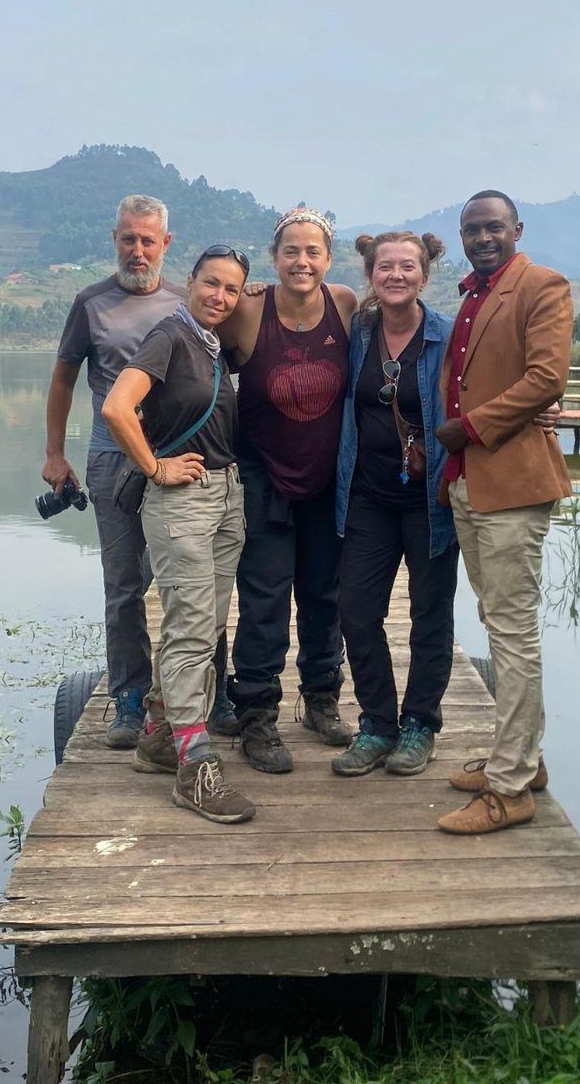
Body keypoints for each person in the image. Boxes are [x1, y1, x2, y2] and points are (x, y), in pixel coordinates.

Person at [45, 195, 234, 749]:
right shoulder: (90, 303)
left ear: (166, 244)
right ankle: (128, 699)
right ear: (115, 238)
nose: (138, 249)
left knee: (194, 581)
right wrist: (55, 455)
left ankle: (210, 692)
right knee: (125, 585)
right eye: (128, 238)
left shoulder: (190, 302)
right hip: (113, 462)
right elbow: (62, 381)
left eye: (148, 240)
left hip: (183, 460)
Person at [432, 190, 573, 835]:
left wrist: (470, 428)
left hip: (511, 482)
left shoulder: (542, 286)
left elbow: (547, 379)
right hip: (469, 484)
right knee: (499, 622)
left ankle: (510, 789)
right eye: (472, 229)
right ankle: (524, 761)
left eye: (494, 227)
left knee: (513, 634)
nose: (483, 237)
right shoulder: (473, 295)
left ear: (517, 229)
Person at [100, 245, 255, 824]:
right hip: (181, 500)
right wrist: (155, 467)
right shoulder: (169, 335)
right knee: (191, 629)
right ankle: (194, 764)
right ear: (188, 283)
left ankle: (159, 736)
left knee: (204, 623)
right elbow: (118, 408)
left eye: (231, 290)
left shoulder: (212, 345)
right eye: (210, 284)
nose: (219, 296)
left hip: (225, 493)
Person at [219, 208, 359, 773]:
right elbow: (192, 346)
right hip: (263, 479)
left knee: (326, 596)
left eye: (313, 252)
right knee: (263, 600)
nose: (302, 262)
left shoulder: (346, 306)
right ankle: (256, 715)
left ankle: (322, 698)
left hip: (328, 481)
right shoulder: (247, 311)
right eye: (291, 252)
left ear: (328, 258)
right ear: (273, 258)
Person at [328, 232, 460, 777]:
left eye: (408, 266)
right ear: (371, 274)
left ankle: (420, 724)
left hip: (431, 502)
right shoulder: (357, 334)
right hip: (368, 496)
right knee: (356, 610)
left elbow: (490, 388)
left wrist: (545, 413)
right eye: (386, 267)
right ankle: (378, 723)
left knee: (431, 615)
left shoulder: (447, 338)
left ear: (425, 275)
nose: (396, 275)